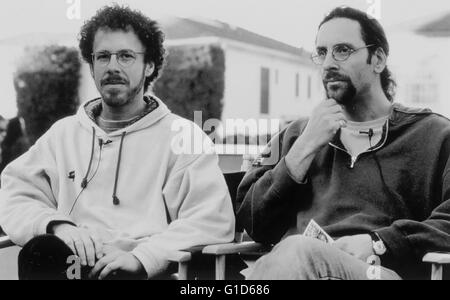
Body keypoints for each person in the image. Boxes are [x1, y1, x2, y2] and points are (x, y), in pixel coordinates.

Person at [0, 5, 235, 280]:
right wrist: (57, 225)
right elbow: (15, 193)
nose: (112, 66)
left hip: (144, 271)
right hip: (75, 266)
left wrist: (141, 258)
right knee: (40, 251)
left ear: (149, 66)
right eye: (102, 57)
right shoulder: (63, 134)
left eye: (125, 56)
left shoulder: (184, 137)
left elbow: (211, 219)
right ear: (92, 66)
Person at [236, 6, 450, 280]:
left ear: (379, 60)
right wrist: (304, 148)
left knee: (297, 252)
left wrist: (381, 241)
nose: (328, 64)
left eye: (343, 50)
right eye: (322, 52)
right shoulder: (298, 135)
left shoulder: (433, 134)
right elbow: (253, 223)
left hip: (381, 271)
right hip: (299, 269)